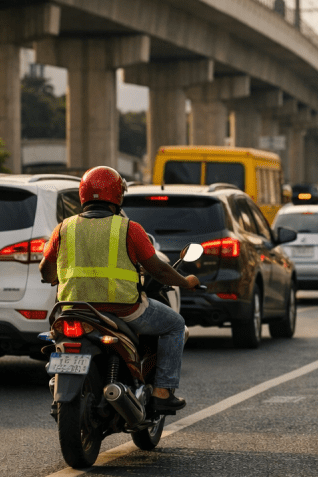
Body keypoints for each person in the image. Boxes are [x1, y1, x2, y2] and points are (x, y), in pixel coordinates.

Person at [39, 166, 199, 411]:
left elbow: (45, 270)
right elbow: (160, 270)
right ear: (117, 196)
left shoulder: (63, 228)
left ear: (83, 195)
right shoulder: (129, 229)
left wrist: (54, 278)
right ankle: (162, 392)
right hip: (124, 310)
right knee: (175, 324)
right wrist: (186, 282)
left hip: (73, 309)